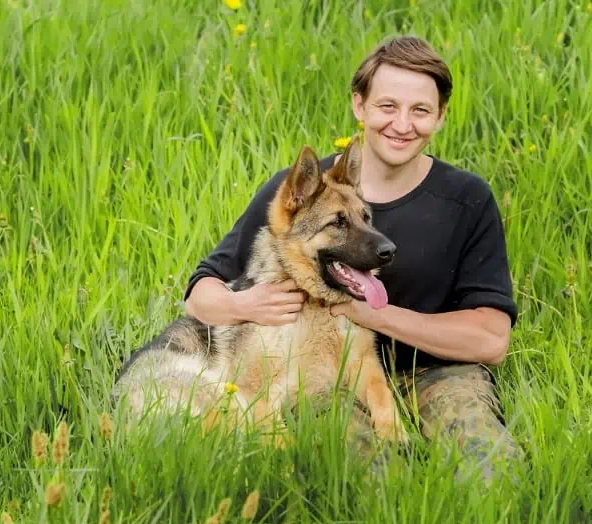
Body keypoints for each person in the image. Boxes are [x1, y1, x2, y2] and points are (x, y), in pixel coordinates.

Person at [183, 35, 522, 484]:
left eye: (420, 110)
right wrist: (245, 306)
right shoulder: (304, 194)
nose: (402, 124)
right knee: (368, 477)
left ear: (439, 117)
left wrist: (373, 314)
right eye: (388, 106)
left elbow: (491, 341)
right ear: (359, 106)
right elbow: (200, 295)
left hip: (440, 372)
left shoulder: (467, 199)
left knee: (490, 470)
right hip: (325, 372)